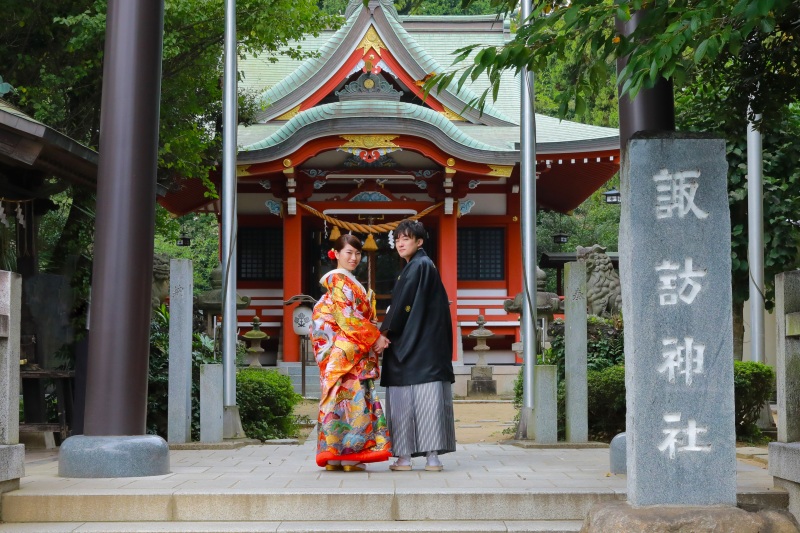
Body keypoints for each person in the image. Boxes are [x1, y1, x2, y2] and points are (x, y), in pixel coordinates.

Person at [378, 219, 456, 472]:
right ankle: (433, 458)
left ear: (419, 242)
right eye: (397, 239)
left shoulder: (415, 267)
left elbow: (400, 306)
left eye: (406, 238)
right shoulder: (427, 265)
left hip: (410, 348)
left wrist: (384, 333)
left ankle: (404, 458)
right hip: (431, 349)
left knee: (404, 403)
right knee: (430, 403)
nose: (400, 243)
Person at [311, 234, 392, 472]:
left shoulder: (348, 281)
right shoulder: (338, 280)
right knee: (354, 403)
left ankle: (335, 457)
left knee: (339, 403)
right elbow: (346, 318)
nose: (354, 257)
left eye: (357, 253)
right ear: (335, 254)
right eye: (348, 252)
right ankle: (349, 457)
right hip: (349, 351)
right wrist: (375, 336)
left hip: (344, 351)